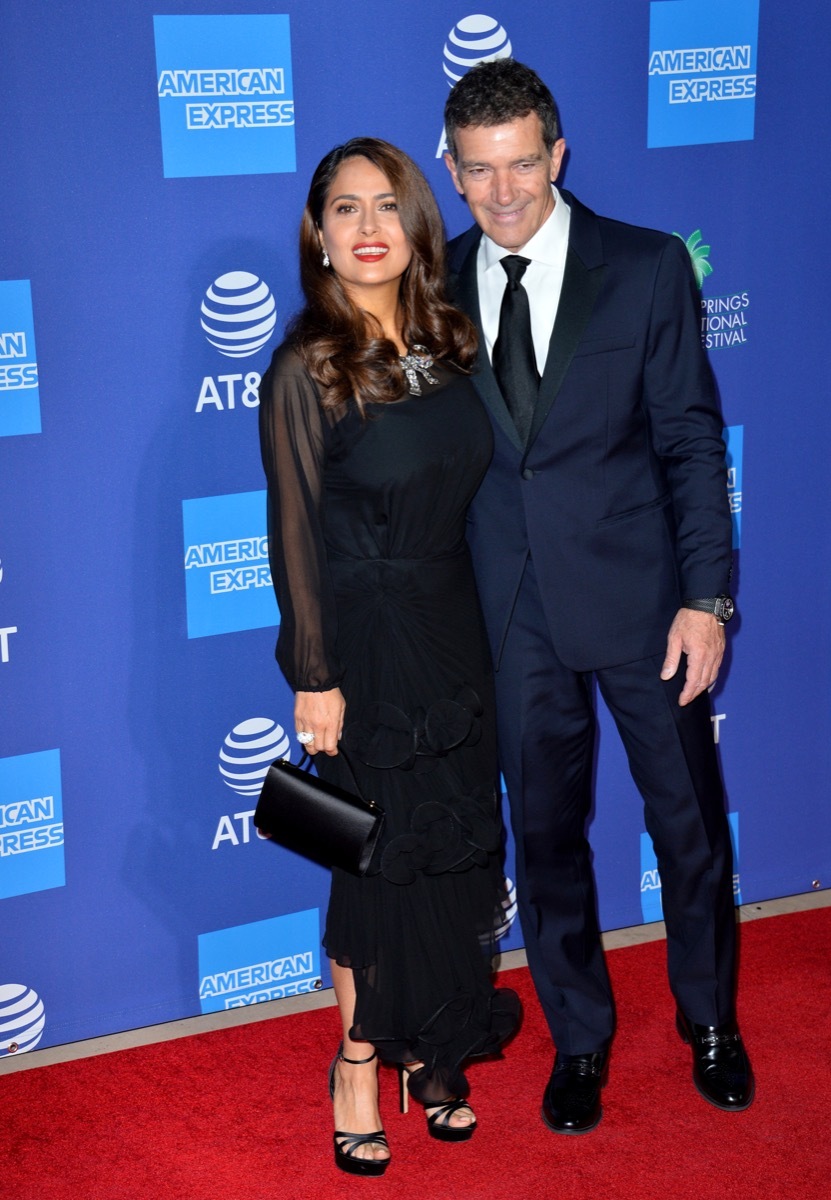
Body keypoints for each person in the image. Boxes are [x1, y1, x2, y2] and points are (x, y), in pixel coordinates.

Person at [442, 60, 753, 1134]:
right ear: (452, 170)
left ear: (557, 155)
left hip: (643, 607)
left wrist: (707, 597)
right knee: (547, 838)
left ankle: (710, 1020)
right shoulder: (431, 287)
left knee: (690, 827)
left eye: (523, 162)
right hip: (510, 618)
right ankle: (579, 1039)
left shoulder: (649, 267)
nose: (505, 190)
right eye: (479, 171)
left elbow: (689, 440)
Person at [258, 137, 520, 1177]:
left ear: (417, 227)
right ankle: (359, 1064)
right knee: (375, 860)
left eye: (386, 208)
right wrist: (311, 674)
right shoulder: (305, 366)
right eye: (344, 210)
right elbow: (292, 534)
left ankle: (440, 1049)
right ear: (319, 235)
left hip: (457, 630)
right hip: (364, 647)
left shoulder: (453, 346)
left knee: (459, 854)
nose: (368, 228)